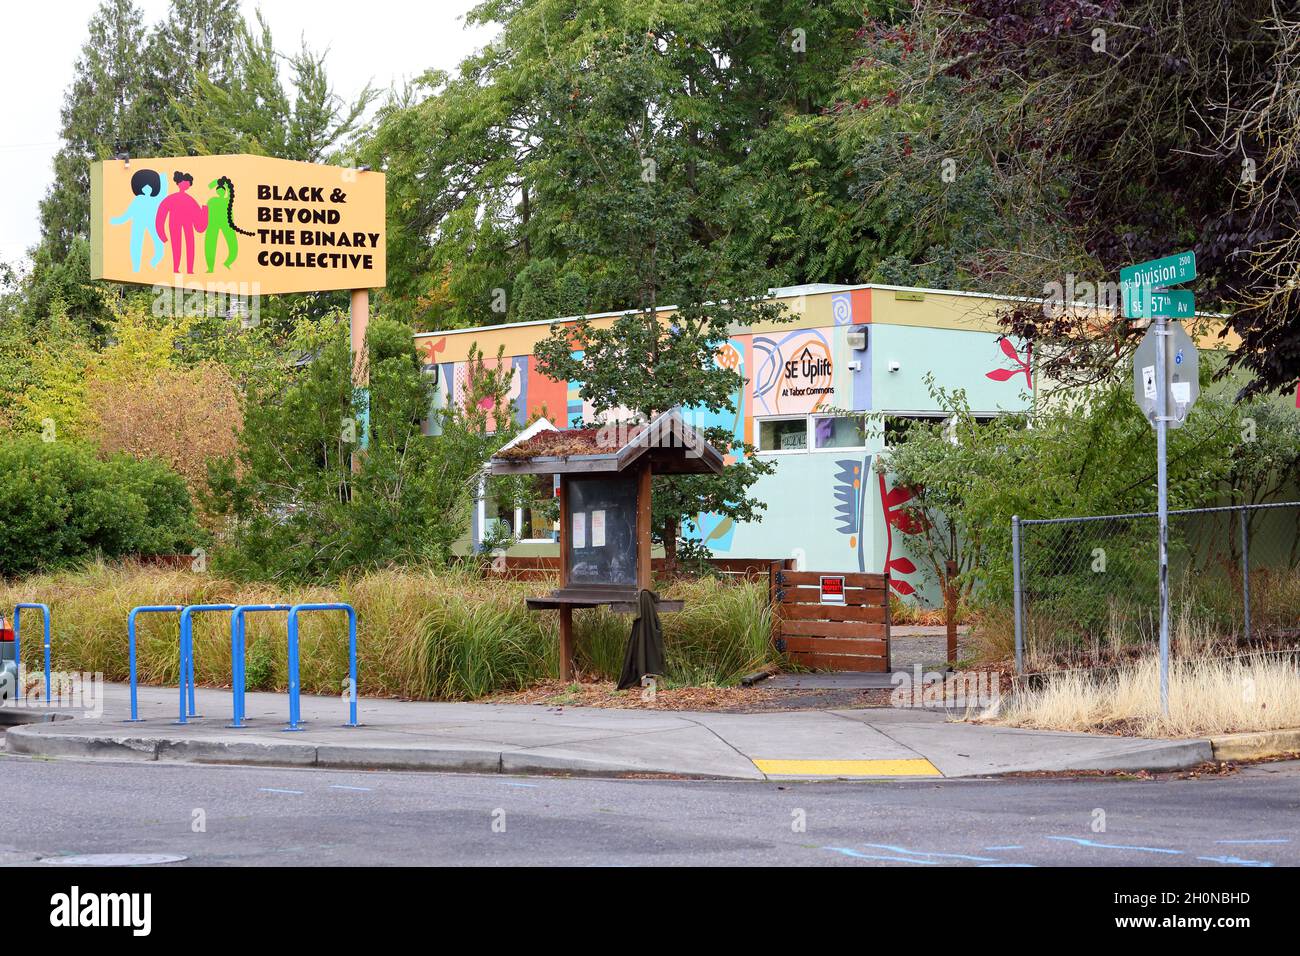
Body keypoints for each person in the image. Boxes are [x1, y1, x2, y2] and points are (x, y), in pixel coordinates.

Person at [108, 168, 169, 271]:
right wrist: (117, 220)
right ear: (140, 188)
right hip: (138, 223)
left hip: (152, 223)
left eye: (149, 186)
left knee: (159, 244)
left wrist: (163, 177)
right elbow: (128, 213)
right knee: (136, 244)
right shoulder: (138, 199)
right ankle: (136, 267)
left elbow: (163, 194)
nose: (147, 188)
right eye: (144, 187)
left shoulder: (155, 200)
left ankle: (153, 262)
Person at [154, 171, 208, 274]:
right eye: (185, 183)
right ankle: (176, 268)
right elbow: (161, 215)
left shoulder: (190, 200)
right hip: (174, 224)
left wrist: (205, 210)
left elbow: (200, 222)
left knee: (190, 245)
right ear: (179, 183)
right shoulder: (171, 198)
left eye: (188, 184)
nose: (186, 185)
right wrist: (162, 235)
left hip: (188, 225)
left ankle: (190, 269)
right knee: (176, 246)